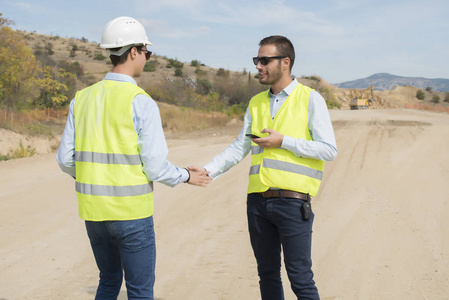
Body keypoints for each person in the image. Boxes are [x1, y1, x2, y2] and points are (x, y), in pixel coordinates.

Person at [56, 16, 211, 300]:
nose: (147, 59)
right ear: (133, 52)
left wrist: (94, 177)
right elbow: (153, 166)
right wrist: (187, 176)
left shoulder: (82, 98)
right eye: (146, 52)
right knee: (140, 291)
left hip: (94, 214)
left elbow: (65, 159)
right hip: (131, 215)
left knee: (108, 281)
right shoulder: (141, 102)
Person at [197, 35, 337, 299]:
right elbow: (240, 146)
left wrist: (283, 141)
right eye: (256, 60)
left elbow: (328, 150)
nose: (258, 66)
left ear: (285, 62)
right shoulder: (256, 102)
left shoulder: (310, 99)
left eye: (264, 60)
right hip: (258, 203)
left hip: (293, 204)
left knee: (300, 278)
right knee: (267, 275)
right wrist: (209, 170)